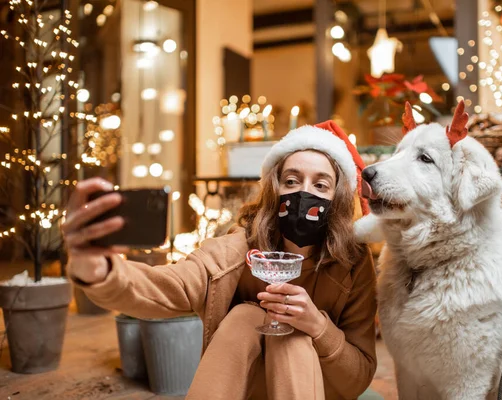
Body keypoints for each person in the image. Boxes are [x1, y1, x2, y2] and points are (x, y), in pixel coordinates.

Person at [63, 121, 377, 400]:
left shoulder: (353, 262)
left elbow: (357, 379)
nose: (303, 193)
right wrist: (99, 269)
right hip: (246, 384)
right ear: (274, 189)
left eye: (320, 184)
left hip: (318, 385)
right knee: (245, 317)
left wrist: (317, 326)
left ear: (336, 198)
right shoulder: (237, 249)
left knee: (293, 334)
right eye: (291, 181)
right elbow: (167, 287)